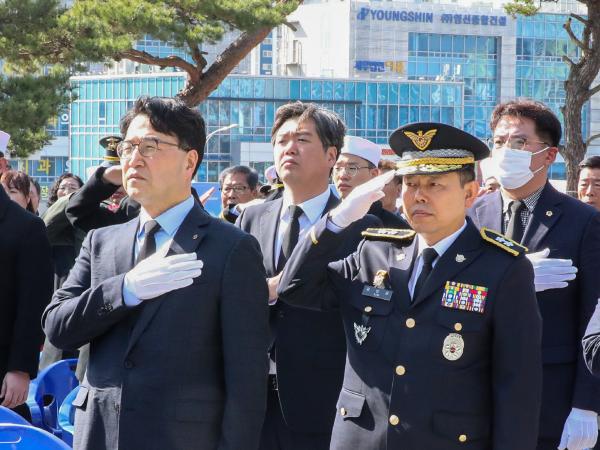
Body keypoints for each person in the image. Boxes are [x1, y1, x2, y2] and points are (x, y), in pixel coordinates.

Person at [278, 122, 543, 450]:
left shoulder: (502, 268)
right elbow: (295, 287)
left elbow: (516, 386)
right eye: (410, 183)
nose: (419, 195)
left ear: (470, 192)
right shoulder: (373, 251)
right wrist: (337, 221)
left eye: (435, 184)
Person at [43, 96, 269, 450]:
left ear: (189, 161)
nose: (134, 158)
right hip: (101, 432)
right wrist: (124, 290)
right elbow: (57, 325)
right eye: (128, 147)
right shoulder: (103, 241)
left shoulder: (231, 247)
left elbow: (246, 375)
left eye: (150, 146)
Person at [237, 101, 380, 450]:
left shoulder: (361, 225)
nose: (289, 148)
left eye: (302, 139)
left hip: (323, 394)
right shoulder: (252, 218)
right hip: (252, 394)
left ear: (332, 155)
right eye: (282, 140)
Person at [468, 99, 600, 450]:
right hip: (476, 393)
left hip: (550, 398)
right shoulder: (472, 216)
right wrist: (512, 281)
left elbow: (595, 320)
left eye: (519, 142)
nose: (505, 150)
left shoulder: (583, 222)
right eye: (499, 142)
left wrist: (587, 404)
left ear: (549, 155)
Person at [0, 158, 53, 421]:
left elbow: (33, 303)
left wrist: (20, 368)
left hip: (3, 375)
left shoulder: (25, 227)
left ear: (1, 165)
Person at [333, 135, 409, 229]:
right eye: (337, 168)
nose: (342, 175)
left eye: (352, 168)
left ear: (374, 174)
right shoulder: (323, 216)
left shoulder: (395, 226)